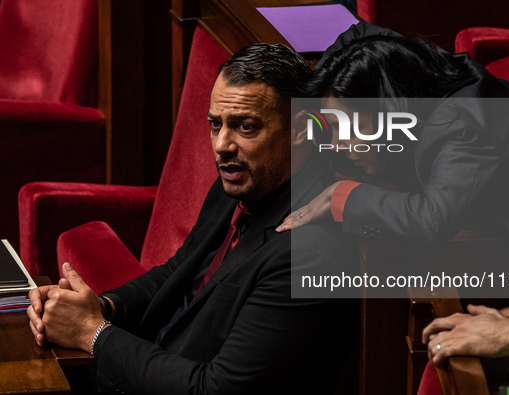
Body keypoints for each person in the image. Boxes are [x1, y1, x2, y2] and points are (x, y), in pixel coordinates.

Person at [27, 43, 358, 394]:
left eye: (245, 127)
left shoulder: (310, 253)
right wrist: (102, 307)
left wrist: (93, 333)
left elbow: (215, 389)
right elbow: (177, 274)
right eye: (215, 125)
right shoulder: (240, 181)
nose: (221, 145)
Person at [277, 22, 509, 281]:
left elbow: (433, 219)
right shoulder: (412, 75)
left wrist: (340, 195)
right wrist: (319, 88)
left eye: (344, 125)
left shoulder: (460, 126)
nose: (339, 143)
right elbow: (359, 35)